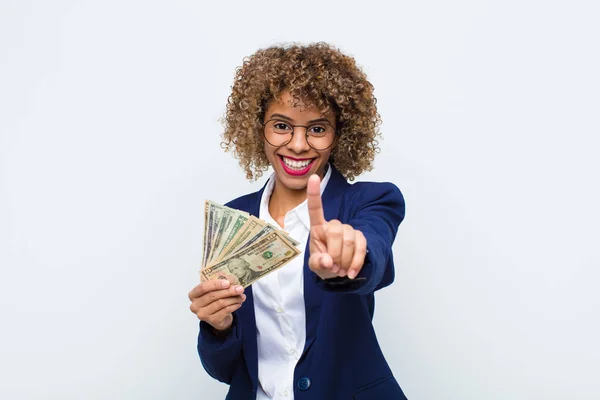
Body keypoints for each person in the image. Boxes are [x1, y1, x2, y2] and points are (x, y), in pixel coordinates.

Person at [188, 42, 407, 399]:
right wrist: (218, 325)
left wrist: (350, 256)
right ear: (258, 128)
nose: (299, 144)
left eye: (318, 129)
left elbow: (374, 250)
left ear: (340, 135)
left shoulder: (368, 201)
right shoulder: (235, 219)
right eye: (281, 126)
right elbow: (227, 370)